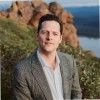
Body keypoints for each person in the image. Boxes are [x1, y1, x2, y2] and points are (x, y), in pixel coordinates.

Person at [12, 14, 82, 100]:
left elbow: (76, 92)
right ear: (37, 35)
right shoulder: (22, 70)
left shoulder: (69, 60)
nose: (49, 37)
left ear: (60, 38)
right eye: (44, 32)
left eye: (55, 34)